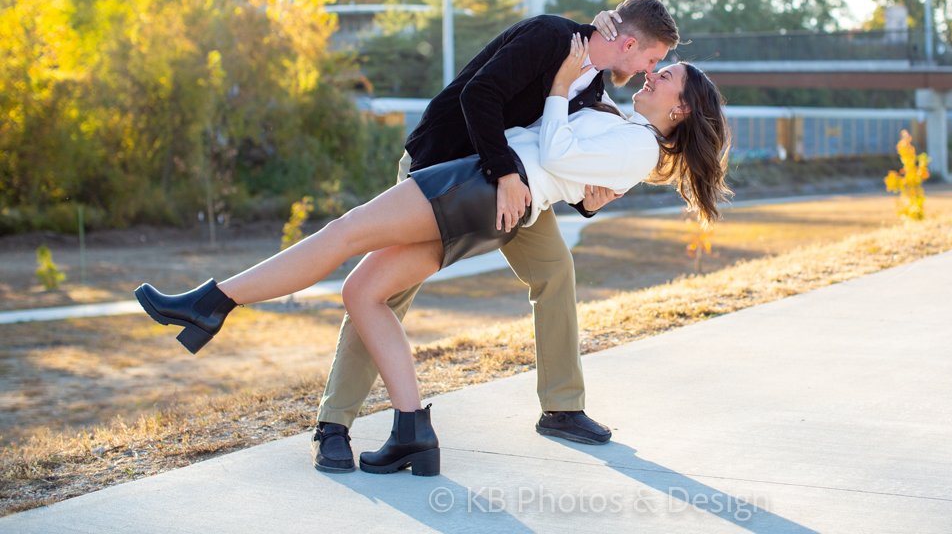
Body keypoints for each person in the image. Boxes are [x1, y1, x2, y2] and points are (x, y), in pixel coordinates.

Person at [134, 35, 732, 477]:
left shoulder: (634, 144)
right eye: (655, 64)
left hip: (477, 184)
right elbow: (573, 165)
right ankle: (412, 429)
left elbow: (554, 150)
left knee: (341, 235)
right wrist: (579, 143)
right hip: (485, 195)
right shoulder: (624, 122)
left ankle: (213, 302)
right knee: (363, 293)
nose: (653, 75)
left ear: (681, 108)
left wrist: (557, 88)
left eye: (665, 73)